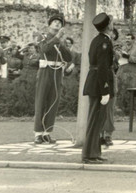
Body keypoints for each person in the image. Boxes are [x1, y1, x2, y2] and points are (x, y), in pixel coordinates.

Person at [33, 12, 73, 145]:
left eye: (59, 22)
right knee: (41, 101)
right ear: (49, 24)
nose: (57, 23)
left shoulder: (61, 39)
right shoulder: (42, 36)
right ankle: (38, 133)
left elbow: (68, 57)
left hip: (57, 72)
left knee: (53, 102)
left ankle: (47, 133)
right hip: (45, 70)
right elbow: (44, 49)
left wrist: (61, 43)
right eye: (54, 22)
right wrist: (56, 38)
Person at [81, 13, 115, 164]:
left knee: (98, 120)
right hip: (98, 84)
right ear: (108, 26)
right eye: (112, 23)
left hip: (95, 82)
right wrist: (105, 90)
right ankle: (89, 154)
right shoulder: (104, 42)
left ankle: (94, 152)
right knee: (95, 120)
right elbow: (102, 68)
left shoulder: (98, 40)